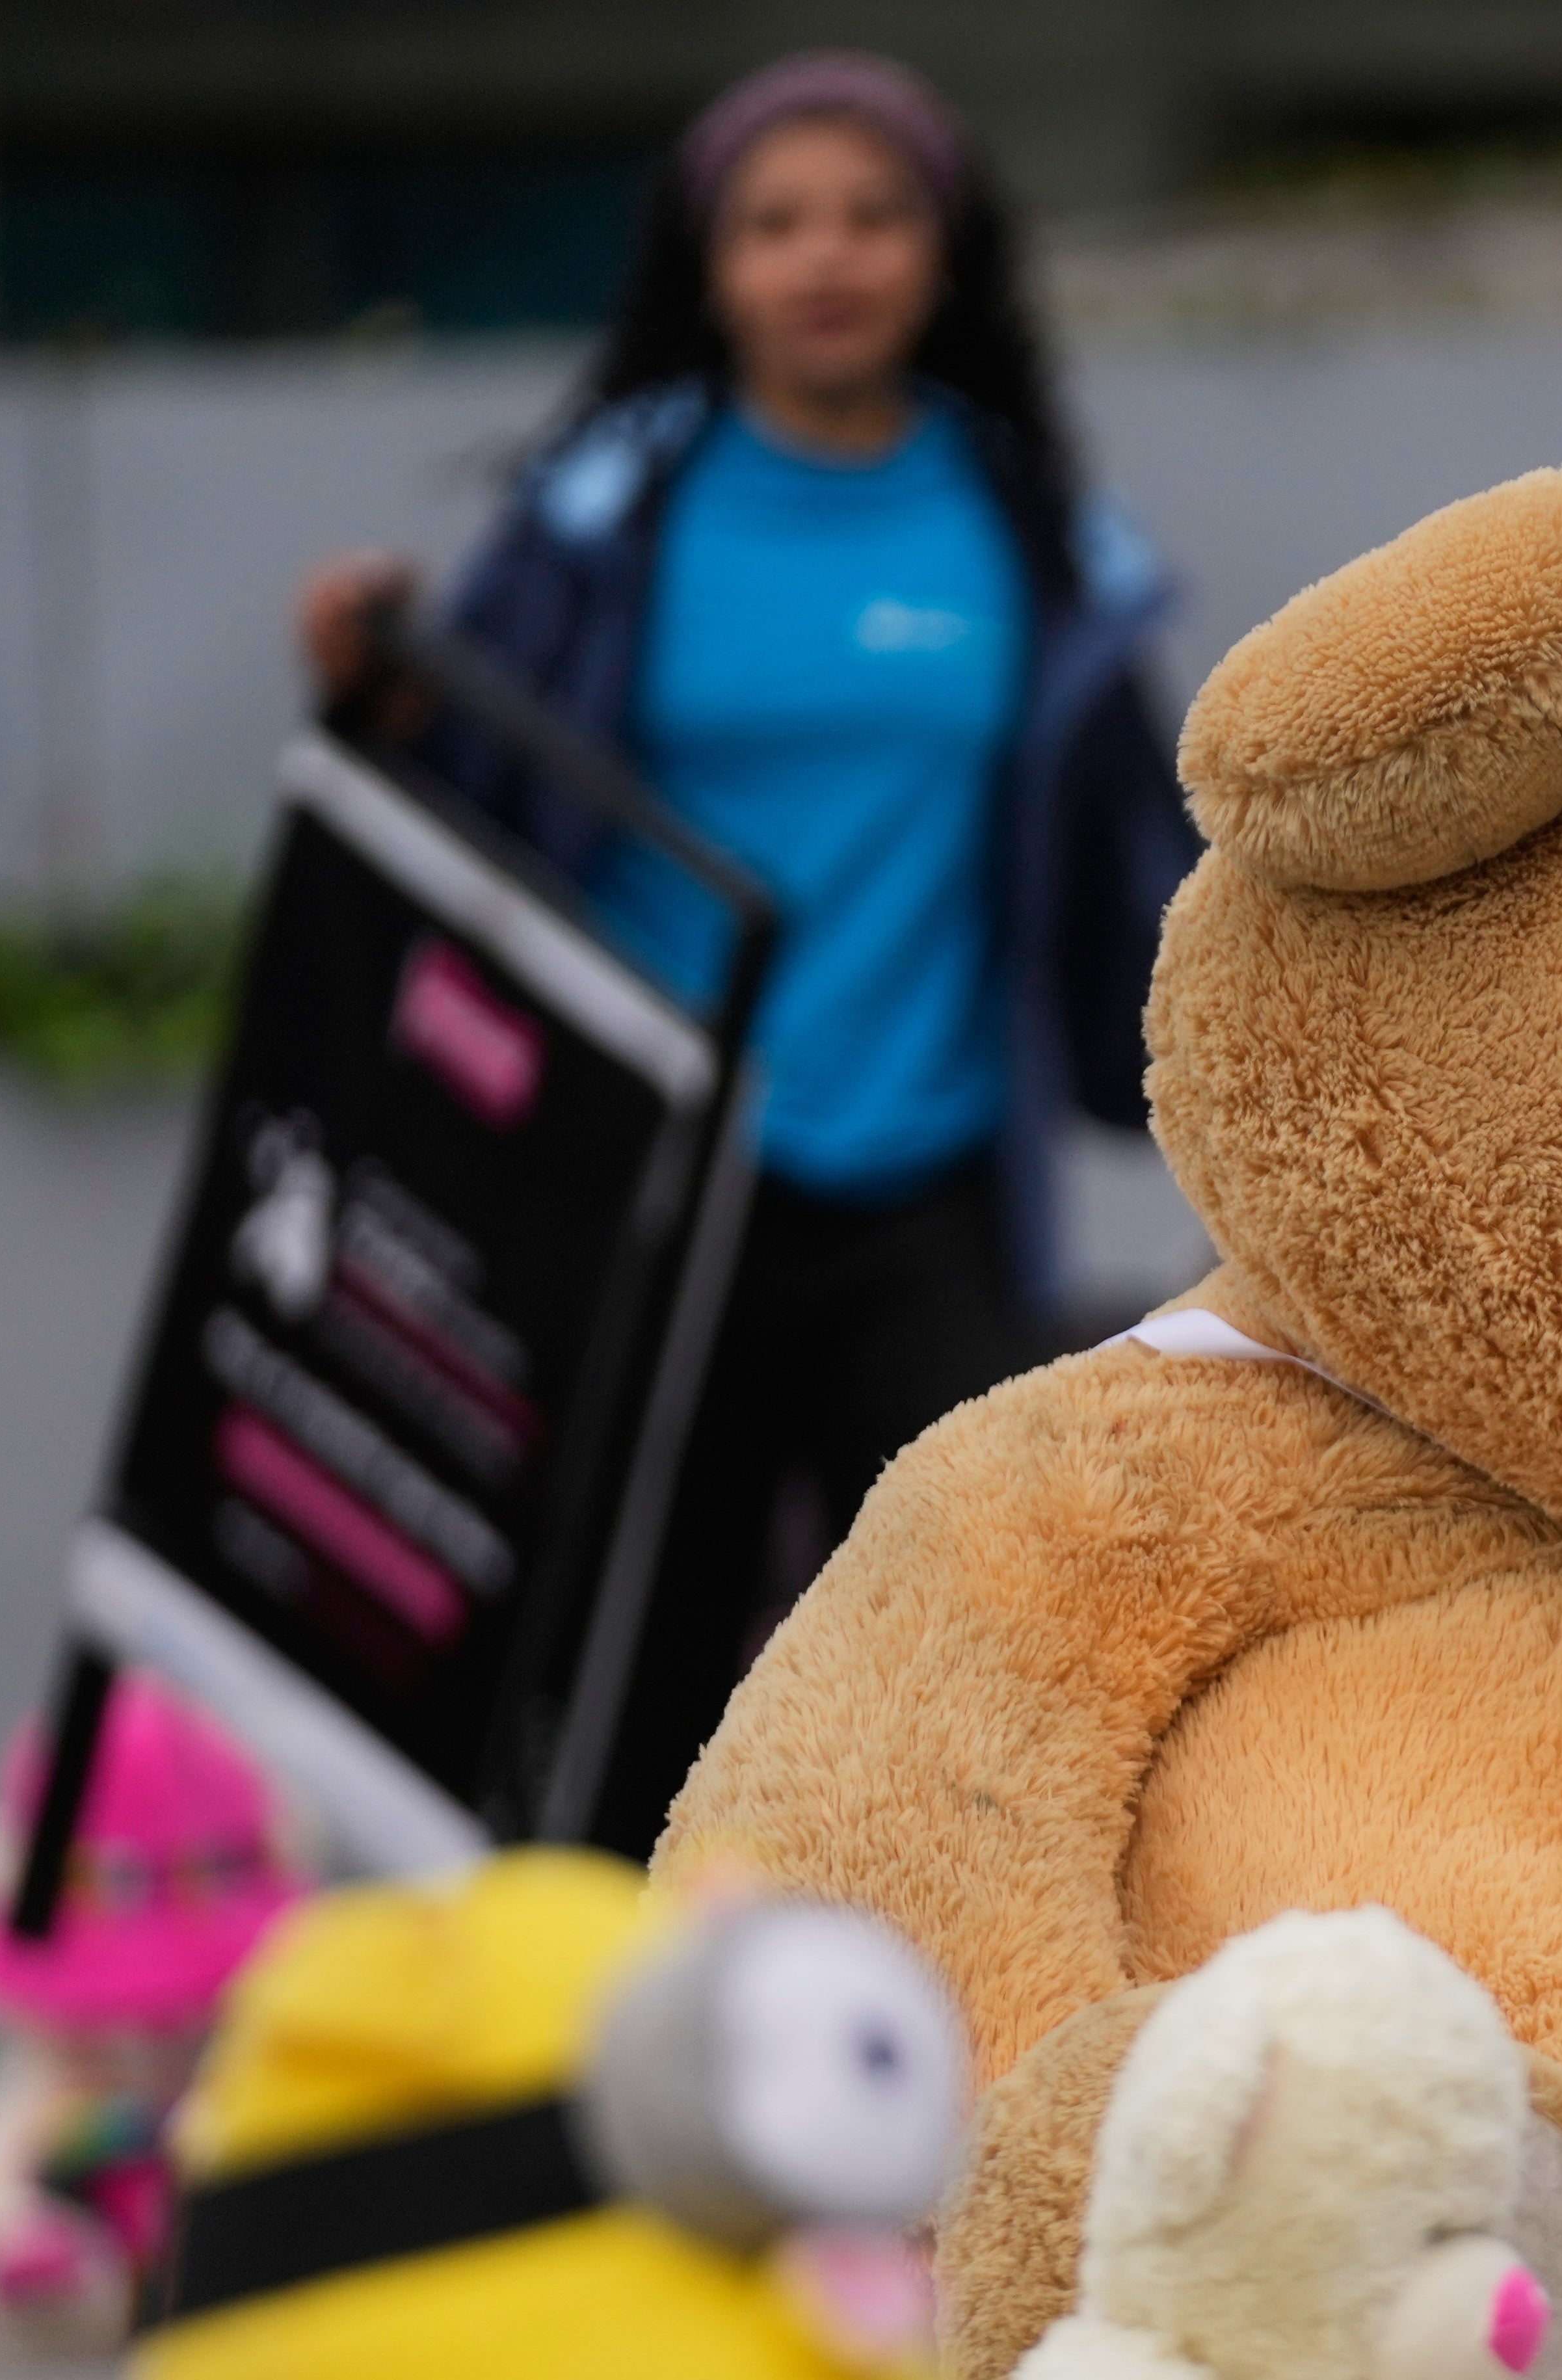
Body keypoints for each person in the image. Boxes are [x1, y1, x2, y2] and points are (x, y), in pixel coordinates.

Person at [294, 50, 1198, 1853]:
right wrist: (369, 695)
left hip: (933, 1195)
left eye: (873, 216)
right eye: (777, 222)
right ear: (709, 265)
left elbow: (1144, 870)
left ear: (946, 257)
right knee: (632, 1696)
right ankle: (606, 2094)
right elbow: (458, 784)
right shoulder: (601, 520)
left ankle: (948, 2093)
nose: (827, 257)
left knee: (969, 1683)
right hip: (653, 1198)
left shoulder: (1033, 539)